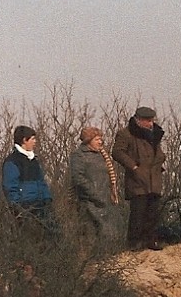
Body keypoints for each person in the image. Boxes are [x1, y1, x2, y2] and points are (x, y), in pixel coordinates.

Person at [112, 106, 166, 251]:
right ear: (138, 119)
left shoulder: (155, 134)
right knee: (138, 213)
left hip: (154, 178)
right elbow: (117, 152)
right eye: (148, 120)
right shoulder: (126, 133)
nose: (151, 123)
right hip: (137, 179)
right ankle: (134, 243)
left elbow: (157, 153)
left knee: (153, 213)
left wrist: (160, 162)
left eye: (152, 120)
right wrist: (134, 167)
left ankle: (151, 241)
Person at [69, 126, 125, 252]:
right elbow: (78, 178)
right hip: (88, 201)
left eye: (101, 139)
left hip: (105, 199)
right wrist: (94, 194)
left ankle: (107, 261)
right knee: (91, 234)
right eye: (97, 139)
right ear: (88, 140)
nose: (101, 142)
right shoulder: (79, 156)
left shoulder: (101, 155)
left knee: (109, 234)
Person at [2, 125, 59, 240]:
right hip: (26, 207)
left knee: (53, 236)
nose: (35, 142)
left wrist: (47, 198)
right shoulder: (12, 161)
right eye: (32, 139)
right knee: (30, 239)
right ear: (24, 140)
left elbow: (41, 181)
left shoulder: (34, 160)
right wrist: (18, 206)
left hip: (41, 205)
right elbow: (10, 186)